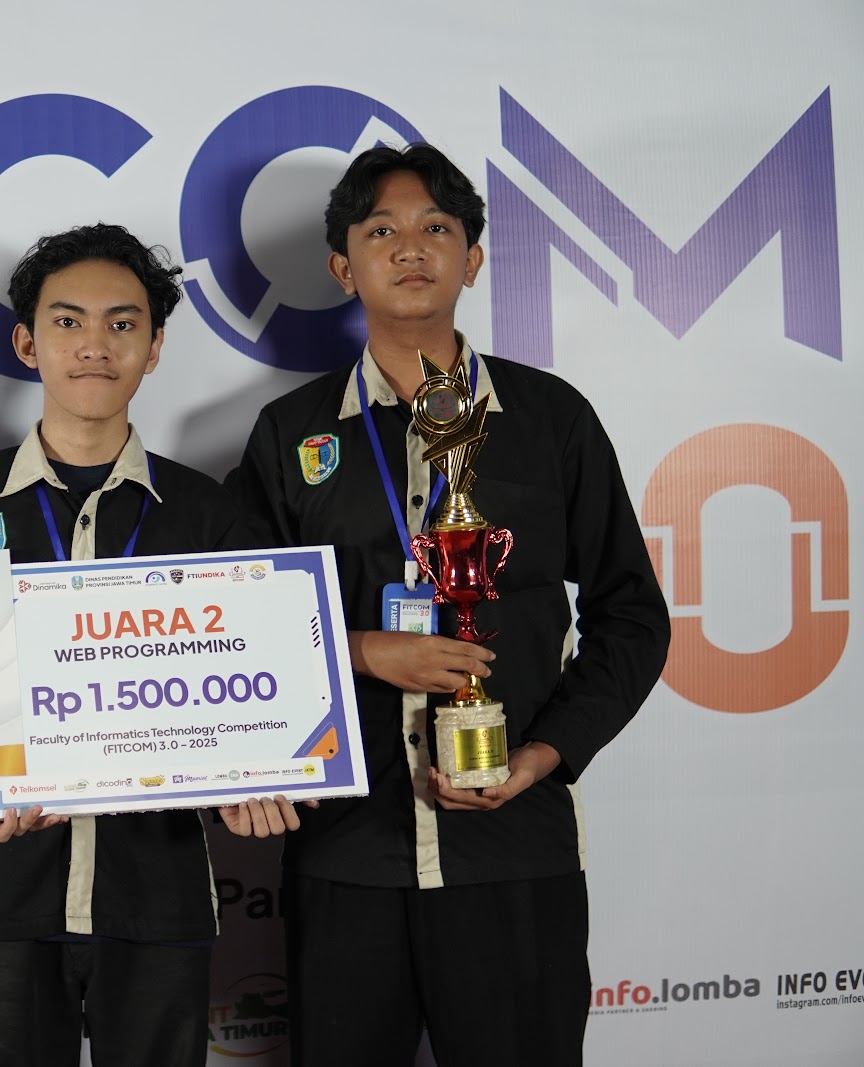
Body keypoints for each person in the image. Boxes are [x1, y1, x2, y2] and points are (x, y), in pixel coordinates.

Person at [226, 144, 670, 1066]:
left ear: (473, 259)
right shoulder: (290, 434)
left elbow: (632, 613)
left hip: (513, 845)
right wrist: (361, 649)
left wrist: (544, 755)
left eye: (436, 226)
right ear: (343, 267)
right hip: (347, 849)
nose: (410, 246)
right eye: (381, 229)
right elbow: (235, 626)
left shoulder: (550, 419)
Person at [0, 223, 302, 1067]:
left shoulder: (210, 516)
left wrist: (255, 776)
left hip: (156, 894)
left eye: (123, 323)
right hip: (5, 890)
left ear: (154, 348)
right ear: (27, 342)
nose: (95, 344)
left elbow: (245, 692)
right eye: (68, 321)